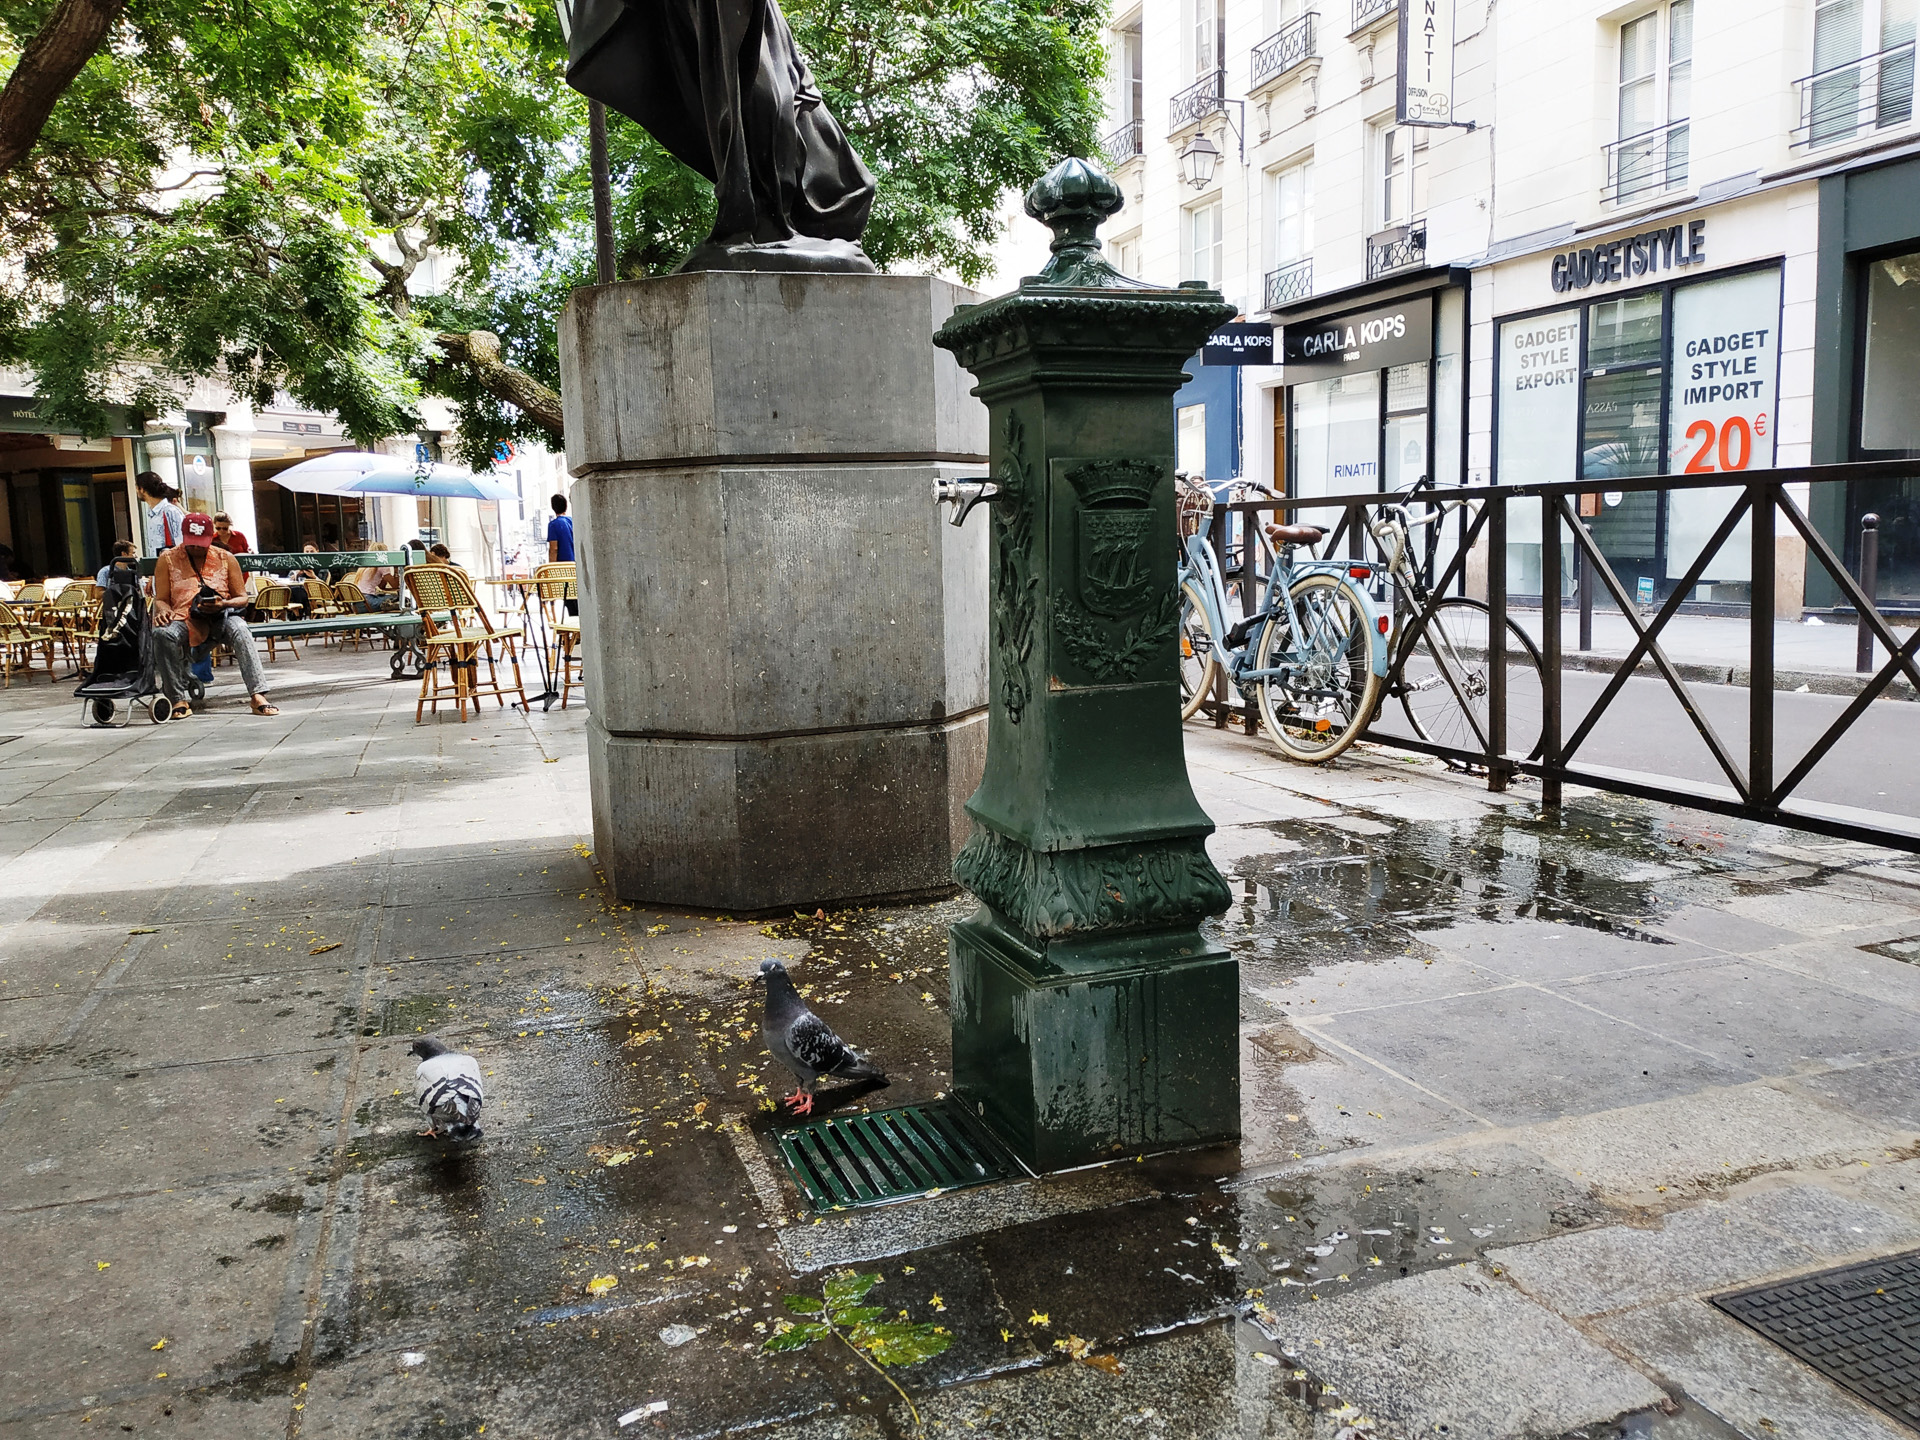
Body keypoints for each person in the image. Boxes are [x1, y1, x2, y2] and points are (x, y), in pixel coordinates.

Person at [151, 511, 278, 717]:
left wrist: (223, 603)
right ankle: (177, 698)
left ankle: (258, 694)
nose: (195, 547)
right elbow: (161, 598)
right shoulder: (168, 558)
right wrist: (164, 611)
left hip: (221, 615)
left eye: (200, 543)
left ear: (211, 539)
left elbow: (241, 598)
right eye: (191, 542)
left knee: (241, 629)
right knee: (162, 634)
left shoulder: (225, 558)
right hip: (182, 616)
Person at [135, 472, 186, 555]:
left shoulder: (171, 511)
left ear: (142, 489)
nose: (136, 491)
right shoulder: (151, 514)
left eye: (137, 487)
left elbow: (182, 543)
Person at [546, 494, 579, 617]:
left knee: (570, 601)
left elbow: (554, 549)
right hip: (576, 567)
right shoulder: (573, 521)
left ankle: (575, 632)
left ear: (553, 507)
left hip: (564, 569)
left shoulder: (553, 525)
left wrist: (551, 569)